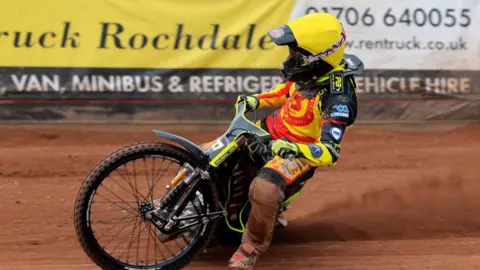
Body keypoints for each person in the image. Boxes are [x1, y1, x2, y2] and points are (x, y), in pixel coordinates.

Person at [203, 12, 363, 269]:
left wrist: (291, 147)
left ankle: (250, 247)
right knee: (208, 152)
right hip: (266, 133)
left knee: (264, 187)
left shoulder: (338, 97)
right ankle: (182, 205)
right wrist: (256, 100)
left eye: (296, 55)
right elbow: (285, 91)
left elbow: (329, 151)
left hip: (296, 153)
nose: (290, 59)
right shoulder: (309, 74)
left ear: (318, 59)